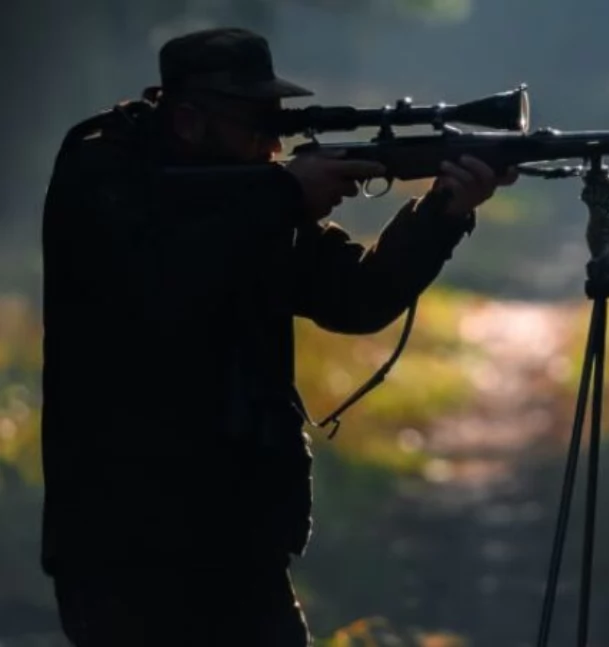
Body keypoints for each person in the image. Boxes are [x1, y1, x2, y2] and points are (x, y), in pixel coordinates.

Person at [39, 27, 517, 646]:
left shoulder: (250, 195)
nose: (273, 142)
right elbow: (159, 284)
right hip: (124, 541)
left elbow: (356, 298)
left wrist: (443, 211)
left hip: (237, 537)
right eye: (255, 122)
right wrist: (283, 195)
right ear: (188, 120)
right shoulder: (102, 173)